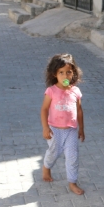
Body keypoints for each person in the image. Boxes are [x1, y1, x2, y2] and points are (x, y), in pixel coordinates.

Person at [40, 53, 86, 195]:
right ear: (55, 74)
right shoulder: (51, 91)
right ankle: (46, 167)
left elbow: (79, 110)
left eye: (68, 72)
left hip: (71, 130)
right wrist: (45, 127)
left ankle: (72, 182)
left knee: (73, 157)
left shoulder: (75, 91)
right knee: (53, 153)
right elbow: (44, 109)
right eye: (61, 72)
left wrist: (81, 129)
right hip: (55, 130)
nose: (65, 76)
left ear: (73, 73)